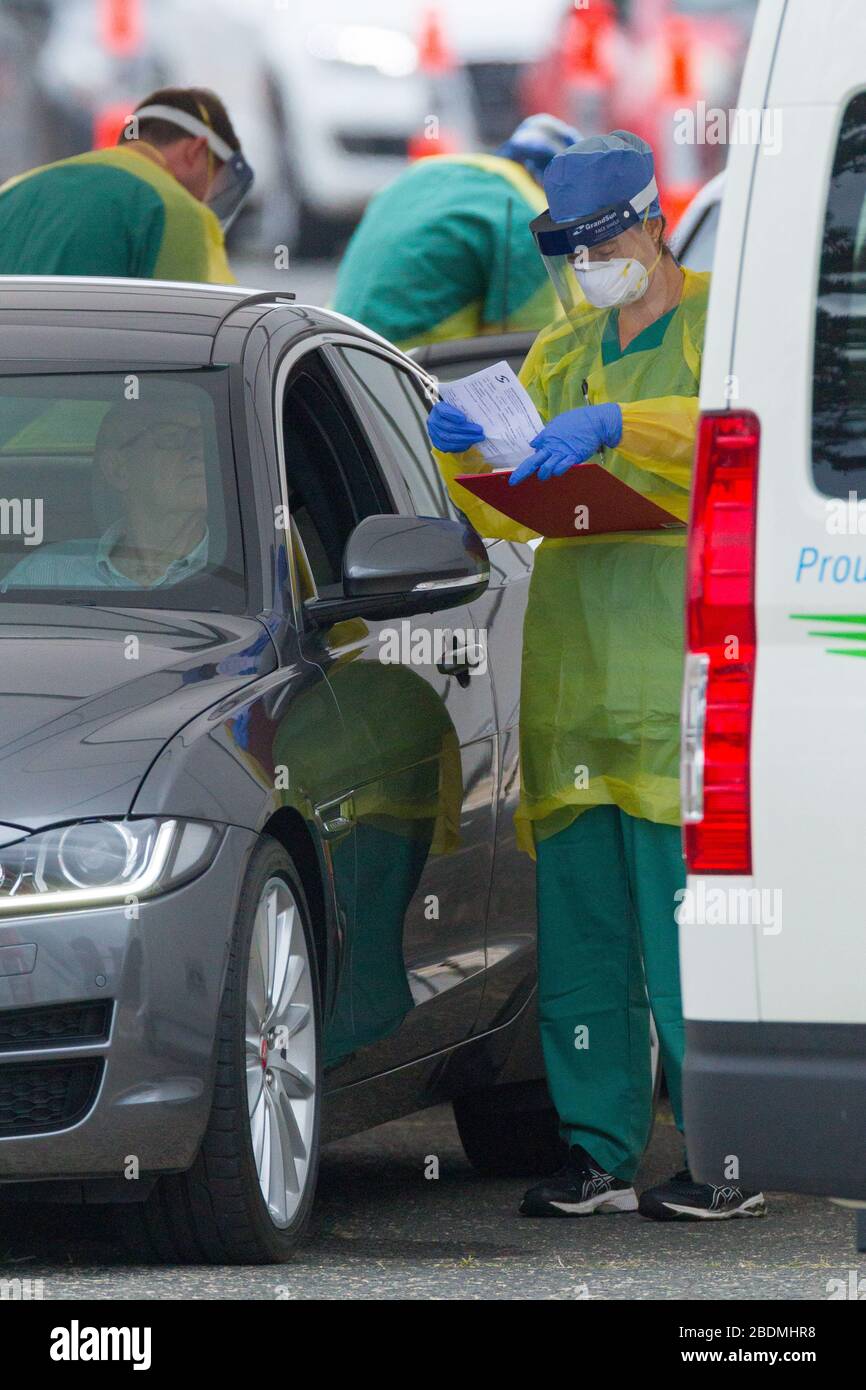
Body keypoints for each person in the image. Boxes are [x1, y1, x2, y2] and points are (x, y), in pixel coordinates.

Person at [427, 132, 766, 1222]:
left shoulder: (723, 321)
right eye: (569, 248)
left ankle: (728, 1149)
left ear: (649, 217)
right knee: (583, 937)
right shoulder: (560, 353)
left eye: (600, 238)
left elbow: (739, 432)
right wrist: (462, 455)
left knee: (689, 936)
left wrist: (622, 425)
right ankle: (596, 1145)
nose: (588, 263)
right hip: (575, 679)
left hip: (678, 675)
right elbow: (492, 512)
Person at [332, 114, 581, 350]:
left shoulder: (422, 174)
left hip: (331, 353)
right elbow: (527, 349)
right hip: (413, 373)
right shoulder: (528, 215)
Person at [0, 87, 253, 283]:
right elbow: (195, 333)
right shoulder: (173, 211)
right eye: (215, 180)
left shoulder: (13, 192)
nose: (206, 199)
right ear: (195, 151)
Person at [5, 395, 209, 591]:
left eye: (204, 440)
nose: (198, 453)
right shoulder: (46, 574)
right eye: (172, 437)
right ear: (118, 469)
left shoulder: (235, 572)